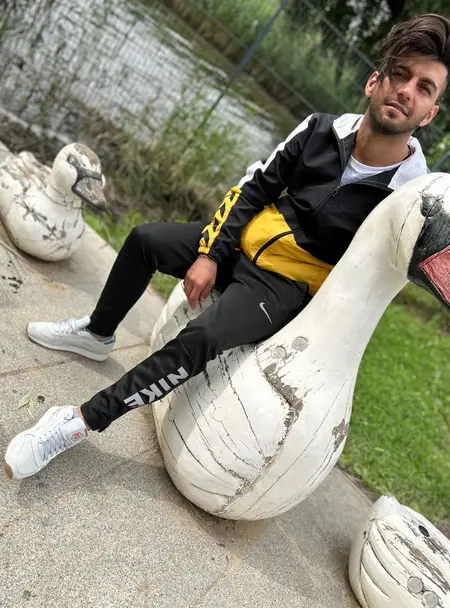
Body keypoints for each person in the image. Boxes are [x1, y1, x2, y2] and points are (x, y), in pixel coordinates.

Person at [4, 13, 450, 480]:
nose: (406, 91)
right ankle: (97, 334)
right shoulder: (322, 129)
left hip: (283, 287)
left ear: (429, 113)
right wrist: (210, 254)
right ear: (374, 82)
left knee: (204, 336)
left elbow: (368, 283)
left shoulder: (408, 198)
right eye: (400, 75)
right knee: (144, 239)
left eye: (424, 88)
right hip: (242, 245)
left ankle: (77, 421)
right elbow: (255, 187)